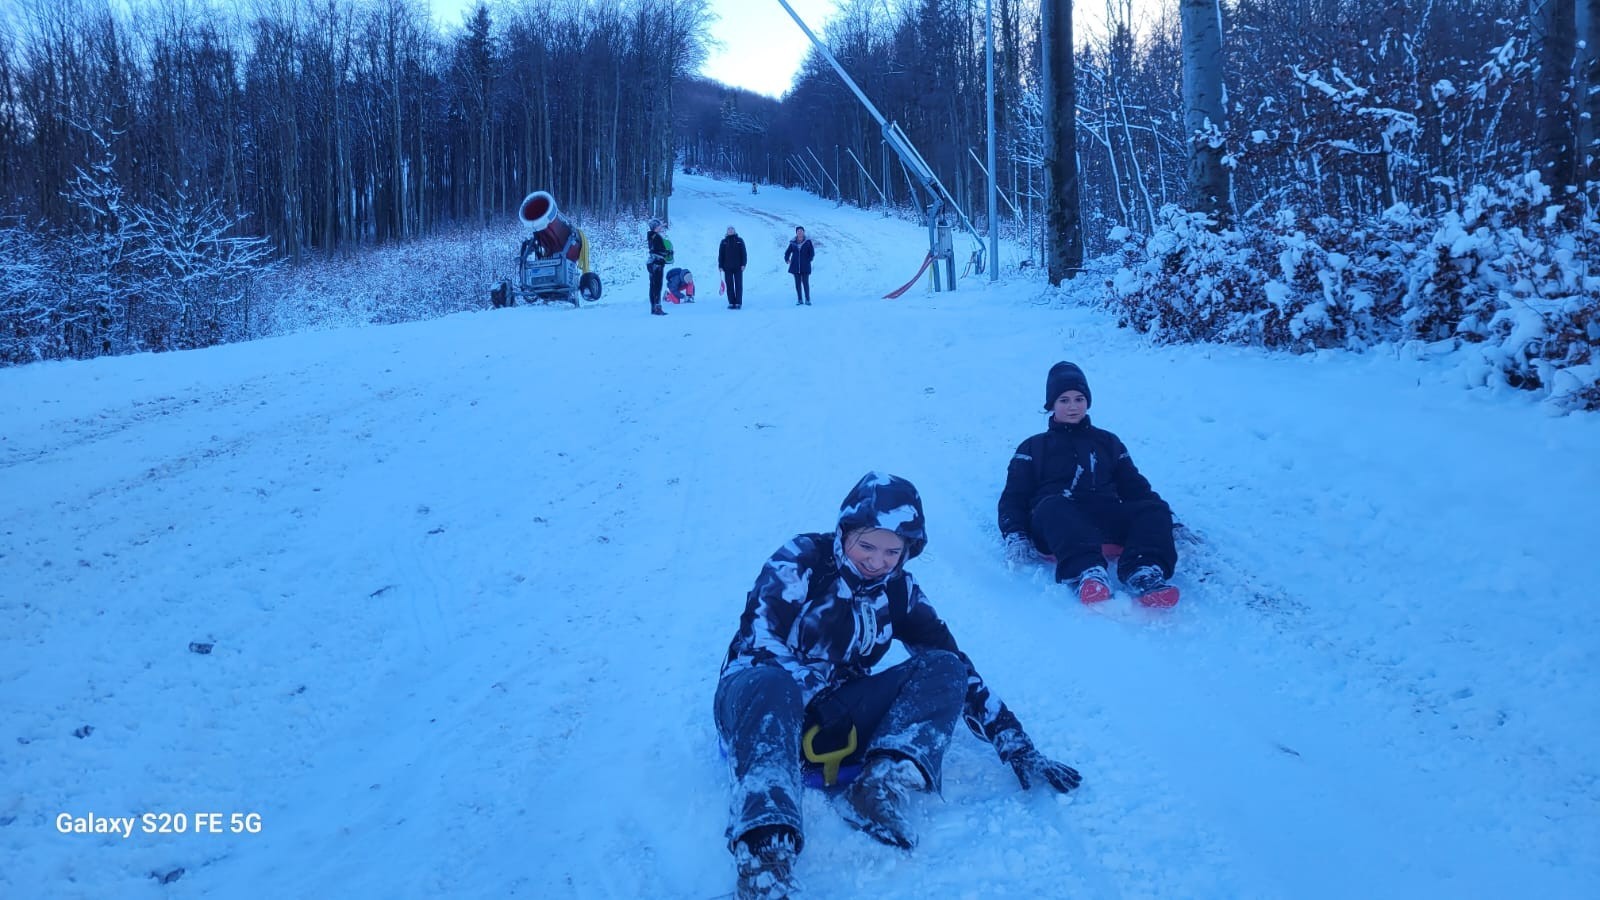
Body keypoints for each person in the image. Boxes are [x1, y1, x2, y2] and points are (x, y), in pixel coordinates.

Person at [717, 472, 1082, 899]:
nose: (877, 561)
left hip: (832, 719)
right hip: (757, 700)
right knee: (772, 682)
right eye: (867, 546)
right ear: (845, 533)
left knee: (945, 667)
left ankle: (877, 787)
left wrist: (1013, 740)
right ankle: (765, 862)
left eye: (893, 551)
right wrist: (818, 700)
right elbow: (759, 641)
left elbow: (954, 662)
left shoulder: (897, 591)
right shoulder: (803, 560)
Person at [997, 362, 1180, 607]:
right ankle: (1088, 571)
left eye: (1079, 399)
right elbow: (1014, 496)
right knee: (1052, 505)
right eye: (1064, 400)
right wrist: (1015, 532)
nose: (1073, 406)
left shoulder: (1108, 442)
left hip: (1103, 515)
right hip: (1057, 523)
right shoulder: (1033, 447)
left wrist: (1167, 520)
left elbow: (1135, 487)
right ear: (1051, 404)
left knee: (1153, 509)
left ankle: (1143, 571)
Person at [783, 226, 814, 306]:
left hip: (805, 266)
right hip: (795, 266)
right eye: (798, 231)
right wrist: (787, 259)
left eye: (801, 231)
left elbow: (812, 252)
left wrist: (809, 259)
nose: (800, 233)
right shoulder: (792, 242)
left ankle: (807, 299)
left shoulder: (808, 242)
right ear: (796, 233)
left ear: (803, 232)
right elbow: (787, 252)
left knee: (805, 283)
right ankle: (800, 299)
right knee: (797, 284)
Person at [719, 226, 748, 310]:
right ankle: (731, 302)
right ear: (727, 232)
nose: (730, 230)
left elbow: (744, 253)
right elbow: (721, 255)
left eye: (732, 229)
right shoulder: (724, 242)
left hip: (738, 267)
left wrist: (743, 264)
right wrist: (720, 266)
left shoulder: (739, 240)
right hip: (727, 268)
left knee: (738, 285)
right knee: (729, 285)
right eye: (729, 229)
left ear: (735, 231)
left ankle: (738, 303)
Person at [646, 218, 670, 316]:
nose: (660, 227)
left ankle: (653, 307)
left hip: (651, 263)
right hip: (657, 263)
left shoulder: (651, 236)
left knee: (652, 286)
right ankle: (657, 308)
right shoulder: (657, 237)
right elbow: (659, 250)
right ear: (655, 227)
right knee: (657, 286)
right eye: (659, 226)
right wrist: (668, 252)